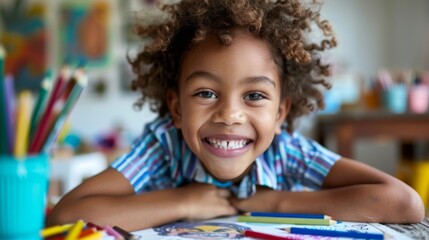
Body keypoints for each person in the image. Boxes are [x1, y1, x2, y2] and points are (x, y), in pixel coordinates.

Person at [47, 0, 425, 231]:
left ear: (280, 113)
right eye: (206, 93)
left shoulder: (287, 152)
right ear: (177, 109)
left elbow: (403, 203)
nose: (230, 114)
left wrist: (273, 203)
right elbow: (65, 215)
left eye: (255, 95)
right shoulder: (164, 147)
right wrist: (185, 202)